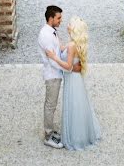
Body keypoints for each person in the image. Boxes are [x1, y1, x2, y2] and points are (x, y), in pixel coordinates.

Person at [46, 16, 101, 151]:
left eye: (70, 24)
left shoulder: (72, 45)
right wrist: (54, 36)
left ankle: (74, 138)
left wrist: (54, 57)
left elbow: (68, 66)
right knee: (78, 105)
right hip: (76, 80)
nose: (67, 25)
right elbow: (62, 47)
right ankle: (82, 134)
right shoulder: (75, 43)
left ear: (74, 28)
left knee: (73, 105)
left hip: (72, 79)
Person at [37, 5, 81, 149]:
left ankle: (51, 132)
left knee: (52, 104)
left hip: (56, 73)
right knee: (50, 105)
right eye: (58, 18)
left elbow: (59, 49)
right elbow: (51, 60)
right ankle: (48, 137)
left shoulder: (52, 32)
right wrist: (68, 68)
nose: (60, 21)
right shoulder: (45, 35)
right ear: (51, 18)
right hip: (52, 75)